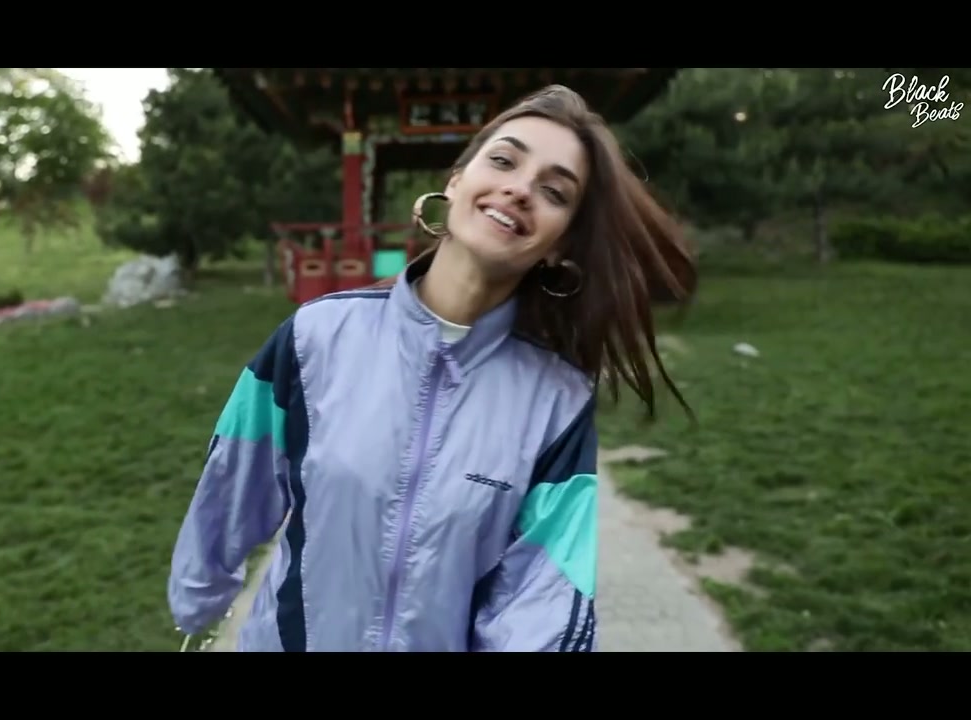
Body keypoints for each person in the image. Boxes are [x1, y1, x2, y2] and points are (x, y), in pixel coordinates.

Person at [167, 84, 696, 652]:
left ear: (559, 244)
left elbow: (541, 599)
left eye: (554, 192)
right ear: (457, 181)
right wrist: (200, 596)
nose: (519, 189)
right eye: (503, 161)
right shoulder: (314, 338)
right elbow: (234, 483)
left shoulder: (557, 402)